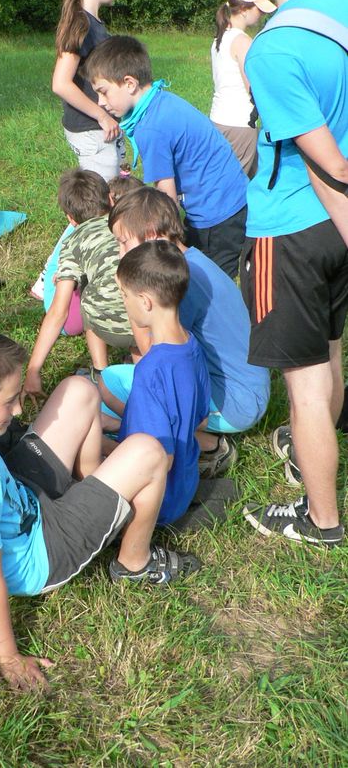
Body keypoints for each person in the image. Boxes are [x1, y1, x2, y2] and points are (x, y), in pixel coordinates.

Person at [0, 327, 200, 693]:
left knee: (80, 390)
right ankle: (134, 563)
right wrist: (8, 657)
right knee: (149, 451)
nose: (18, 410)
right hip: (40, 553)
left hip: (19, 497)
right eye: (9, 401)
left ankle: (96, 488)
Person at [229, 0, 348, 545]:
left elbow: (328, 162)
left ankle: (320, 519)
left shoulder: (272, 50)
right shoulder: (344, 7)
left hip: (295, 228)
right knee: (331, 352)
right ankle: (315, 451)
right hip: (334, 231)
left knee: (304, 385)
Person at [104, 187, 270, 476]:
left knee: (109, 385)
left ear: (152, 235)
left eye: (123, 242)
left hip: (235, 403)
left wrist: (129, 288)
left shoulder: (180, 283)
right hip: (245, 389)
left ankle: (206, 445)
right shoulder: (191, 263)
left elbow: (152, 354)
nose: (120, 253)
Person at [85, 35, 248, 280]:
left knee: (208, 279)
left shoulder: (151, 127)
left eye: (104, 92)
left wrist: (161, 249)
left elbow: (166, 199)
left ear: (129, 83)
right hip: (231, 197)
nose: (100, 102)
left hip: (216, 214)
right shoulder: (161, 101)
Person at [113, 240, 210, 525]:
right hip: (185, 484)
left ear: (145, 302)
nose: (124, 302)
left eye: (124, 295)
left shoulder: (150, 371)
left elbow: (158, 460)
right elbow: (201, 420)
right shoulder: (192, 345)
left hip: (154, 502)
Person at [22, 170, 132, 400]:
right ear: (111, 199)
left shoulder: (71, 243)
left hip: (110, 328)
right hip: (149, 321)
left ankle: (100, 373)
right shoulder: (129, 223)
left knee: (88, 296)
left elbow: (58, 311)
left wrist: (33, 370)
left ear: (70, 218)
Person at [51, 0, 126, 181]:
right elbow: (61, 83)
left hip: (102, 128)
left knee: (115, 192)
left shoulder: (93, 23)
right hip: (92, 129)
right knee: (101, 198)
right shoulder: (82, 24)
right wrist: (102, 116)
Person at [210, 0, 276, 177]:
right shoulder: (243, 41)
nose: (262, 14)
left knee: (252, 176)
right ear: (244, 10)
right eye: (259, 9)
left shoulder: (220, 38)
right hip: (240, 123)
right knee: (234, 183)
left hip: (219, 118)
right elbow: (253, 86)